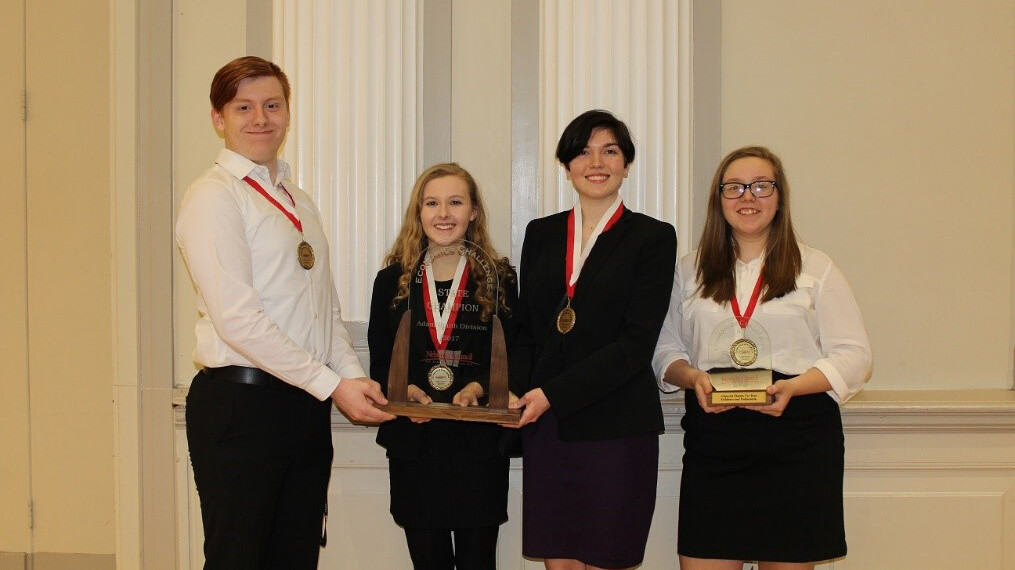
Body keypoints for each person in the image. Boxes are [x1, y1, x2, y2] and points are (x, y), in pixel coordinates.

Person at [176, 56, 395, 570]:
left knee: (295, 557)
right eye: (243, 107)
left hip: (302, 406)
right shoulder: (214, 196)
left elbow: (324, 309)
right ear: (218, 118)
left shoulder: (296, 197)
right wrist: (331, 384)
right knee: (240, 558)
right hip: (241, 405)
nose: (260, 118)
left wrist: (353, 377)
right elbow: (239, 320)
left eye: (272, 105)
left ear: (287, 113)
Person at [652, 146, 873, 569]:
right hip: (715, 443)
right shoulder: (690, 269)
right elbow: (665, 350)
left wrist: (794, 385)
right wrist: (692, 377)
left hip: (797, 440)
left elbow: (856, 355)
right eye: (734, 187)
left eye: (760, 186)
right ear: (719, 200)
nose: (747, 197)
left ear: (779, 197)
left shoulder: (816, 267)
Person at [509, 110, 677, 570]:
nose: (596, 161)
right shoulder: (540, 233)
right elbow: (526, 328)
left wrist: (550, 394)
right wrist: (516, 389)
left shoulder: (653, 238)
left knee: (607, 559)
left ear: (626, 164)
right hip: (548, 427)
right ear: (567, 164)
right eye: (583, 151)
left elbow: (636, 343)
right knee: (559, 561)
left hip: (617, 426)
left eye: (610, 151)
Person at [368, 163, 518, 569]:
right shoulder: (391, 281)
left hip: (478, 446)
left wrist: (479, 388)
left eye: (455, 202)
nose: (443, 213)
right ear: (418, 213)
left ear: (473, 212)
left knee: (477, 562)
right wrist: (405, 392)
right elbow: (381, 360)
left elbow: (514, 357)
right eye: (432, 203)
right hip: (416, 447)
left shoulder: (499, 278)